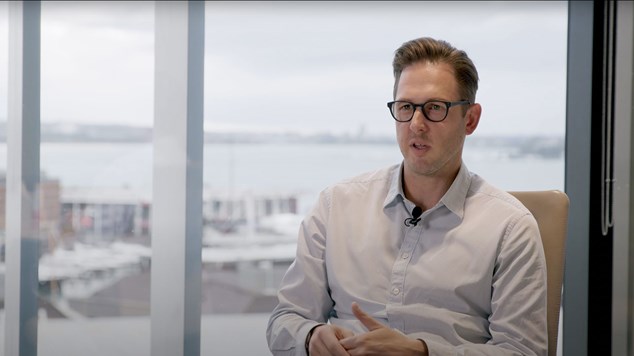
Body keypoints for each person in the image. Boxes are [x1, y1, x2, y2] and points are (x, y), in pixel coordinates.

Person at [266, 37, 547, 356]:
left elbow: (524, 352)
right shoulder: (336, 205)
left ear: (470, 119)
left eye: (434, 109)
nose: (416, 124)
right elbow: (285, 319)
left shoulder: (511, 227)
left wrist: (422, 353)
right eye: (405, 107)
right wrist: (310, 335)